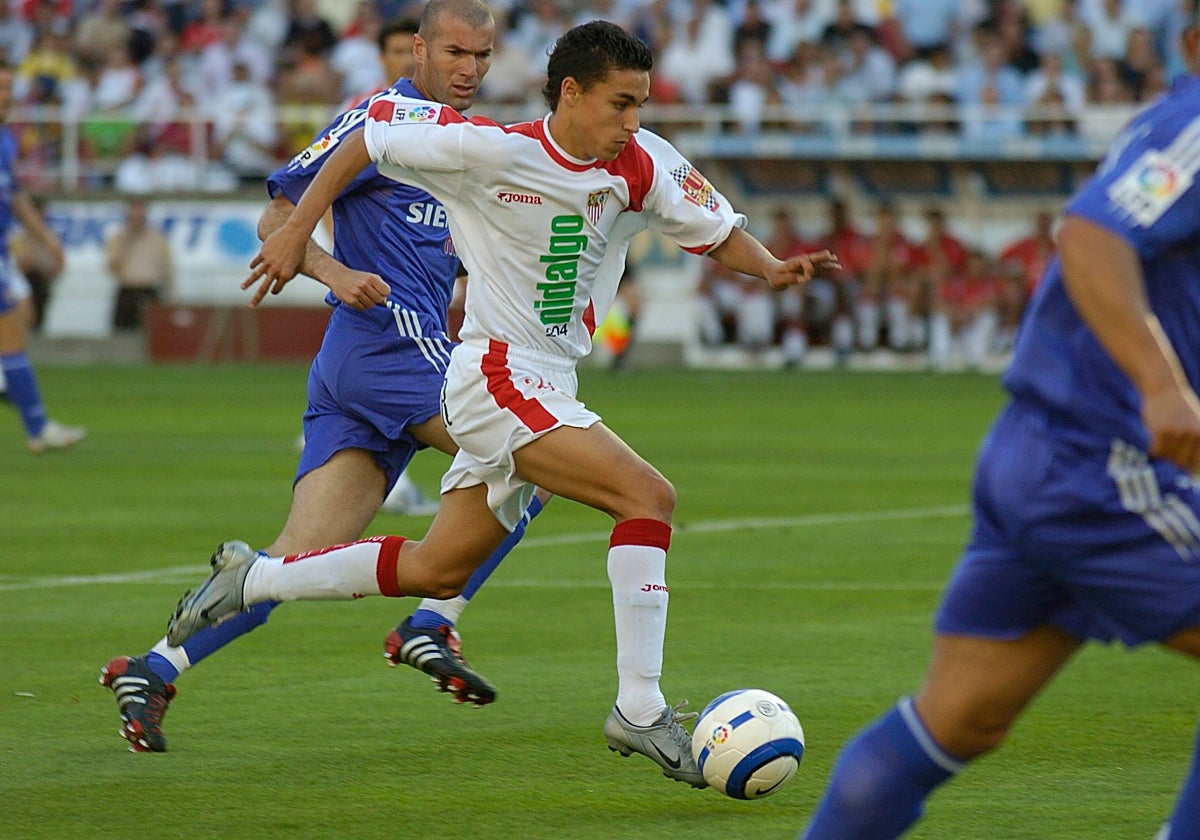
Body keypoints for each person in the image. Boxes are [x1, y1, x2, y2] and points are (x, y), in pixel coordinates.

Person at [163, 20, 836, 787]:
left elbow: (713, 231)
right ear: (571, 92)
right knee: (647, 495)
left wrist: (772, 267)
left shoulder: (644, 163)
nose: (633, 122)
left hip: (552, 381)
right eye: (620, 104)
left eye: (641, 105)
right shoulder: (488, 151)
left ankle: (251, 580)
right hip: (495, 378)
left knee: (434, 569)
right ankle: (641, 710)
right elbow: (368, 136)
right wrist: (296, 236)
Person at [99, 0, 545, 754]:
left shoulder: (469, 141)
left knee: (290, 567)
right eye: (456, 53)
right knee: (537, 451)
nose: (470, 69)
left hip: (361, 368)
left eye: (483, 57)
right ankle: (432, 623)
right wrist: (337, 270)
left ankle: (153, 668)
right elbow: (279, 218)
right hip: (388, 354)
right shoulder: (377, 118)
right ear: (418, 48)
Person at [800, 17, 1200, 840]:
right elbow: (1091, 235)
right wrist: (1161, 388)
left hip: (1037, 455)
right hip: (1101, 463)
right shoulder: (1193, 125)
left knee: (956, 723)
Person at [0, 64, 83, 454]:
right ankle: (38, 427)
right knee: (12, 333)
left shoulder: (6, 141)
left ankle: (34, 420)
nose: (6, 95)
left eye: (8, 87)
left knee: (20, 320)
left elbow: (15, 197)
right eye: (0, 88)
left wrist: (48, 240)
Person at [105, 197, 173, 332]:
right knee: (122, 338)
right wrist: (126, 242)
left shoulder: (158, 239)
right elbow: (112, 266)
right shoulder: (118, 238)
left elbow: (168, 269)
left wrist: (171, 296)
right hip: (127, 292)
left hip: (149, 291)